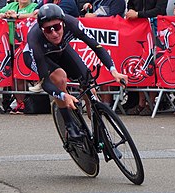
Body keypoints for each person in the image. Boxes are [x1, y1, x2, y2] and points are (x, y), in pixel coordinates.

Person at [24, 4, 127, 140]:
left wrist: (114, 71)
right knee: (60, 79)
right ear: (42, 30)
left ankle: (98, 129)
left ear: (63, 23)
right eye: (49, 30)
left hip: (61, 50)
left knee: (88, 85)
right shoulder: (34, 39)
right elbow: (46, 83)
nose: (54, 33)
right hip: (40, 58)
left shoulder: (72, 23)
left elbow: (96, 46)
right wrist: (63, 95)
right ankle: (69, 125)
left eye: (57, 27)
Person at [0, 0, 38, 114]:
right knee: (15, 77)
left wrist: (17, 16)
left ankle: (34, 103)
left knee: (28, 75)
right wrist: (3, 14)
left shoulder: (34, 6)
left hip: (28, 45)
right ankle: (20, 103)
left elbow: (35, 15)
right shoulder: (12, 5)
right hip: (11, 45)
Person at [124, 0, 168, 116]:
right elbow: (131, 6)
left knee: (153, 63)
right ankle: (141, 102)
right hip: (139, 28)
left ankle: (151, 102)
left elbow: (160, 10)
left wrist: (138, 15)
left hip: (156, 27)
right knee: (141, 62)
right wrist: (131, 12)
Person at [82, 0, 125, 108]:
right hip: (97, 38)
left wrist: (95, 17)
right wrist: (88, 8)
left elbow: (115, 16)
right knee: (97, 70)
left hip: (111, 39)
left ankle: (107, 103)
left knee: (107, 70)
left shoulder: (118, 2)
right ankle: (97, 102)